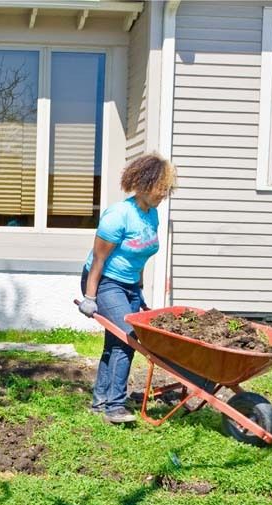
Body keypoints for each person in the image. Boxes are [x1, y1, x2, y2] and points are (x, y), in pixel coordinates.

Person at [77, 153, 177, 424]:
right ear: (144, 184)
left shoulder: (152, 215)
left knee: (114, 343)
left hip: (129, 285)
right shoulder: (119, 215)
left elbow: (140, 257)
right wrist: (89, 297)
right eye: (161, 188)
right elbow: (99, 259)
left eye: (167, 189)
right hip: (105, 280)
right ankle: (115, 407)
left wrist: (139, 292)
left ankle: (100, 403)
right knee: (128, 337)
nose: (164, 194)